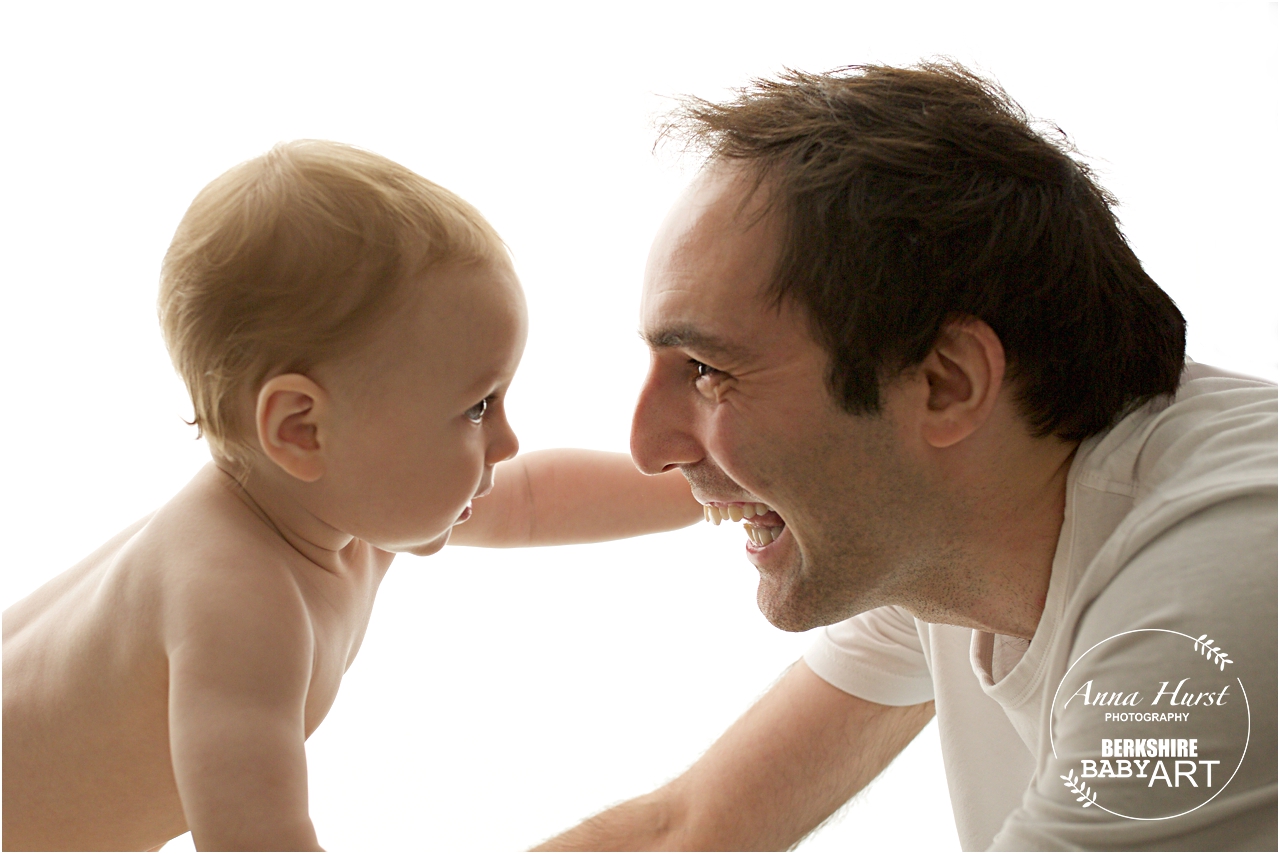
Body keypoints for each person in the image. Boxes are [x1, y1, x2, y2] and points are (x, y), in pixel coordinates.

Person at [536, 62, 1276, 851]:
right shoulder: (962, 528)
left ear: (946, 383)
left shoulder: (1219, 587)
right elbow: (685, 832)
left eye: (709, 372)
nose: (647, 448)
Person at [1, 141, 701, 852]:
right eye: (477, 408)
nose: (508, 441)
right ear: (301, 429)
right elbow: (257, 839)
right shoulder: (237, 602)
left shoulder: (342, 500)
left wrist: (705, 487)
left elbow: (529, 504)